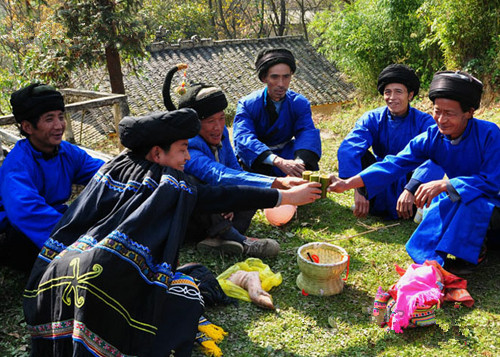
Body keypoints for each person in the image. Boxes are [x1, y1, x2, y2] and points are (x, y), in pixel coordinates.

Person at [24, 108, 321, 356]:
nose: (187, 158)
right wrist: (284, 197)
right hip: (101, 285)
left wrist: (275, 185)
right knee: (187, 296)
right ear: (157, 152)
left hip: (51, 285)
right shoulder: (169, 182)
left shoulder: (116, 167)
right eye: (182, 150)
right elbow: (216, 196)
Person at [328, 70, 500, 275]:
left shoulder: (490, 134)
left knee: (468, 202)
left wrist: (446, 184)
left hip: (493, 202)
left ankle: (473, 255)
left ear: (469, 112)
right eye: (437, 111)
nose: (441, 119)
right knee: (443, 204)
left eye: (449, 113)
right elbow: (395, 163)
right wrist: (349, 184)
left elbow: (493, 181)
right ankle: (438, 258)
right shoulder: (433, 136)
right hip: (463, 195)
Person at [163, 68, 307, 257]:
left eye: (222, 118)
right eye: (210, 121)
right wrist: (277, 183)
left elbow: (233, 168)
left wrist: (232, 200)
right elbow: (216, 175)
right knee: (194, 183)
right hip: (192, 218)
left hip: (219, 213)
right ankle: (239, 240)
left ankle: (218, 239)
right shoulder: (186, 146)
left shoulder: (222, 134)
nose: (217, 127)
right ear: (194, 124)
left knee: (249, 187)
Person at [0, 83, 104, 271]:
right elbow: (26, 212)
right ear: (28, 127)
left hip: (56, 217)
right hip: (19, 229)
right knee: (21, 242)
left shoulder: (68, 152)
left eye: (60, 117)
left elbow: (104, 175)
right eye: (49, 119)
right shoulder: (17, 165)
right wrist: (76, 239)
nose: (59, 126)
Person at [337, 64, 444, 220]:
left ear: (410, 95)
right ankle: (369, 199)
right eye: (388, 92)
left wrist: (410, 189)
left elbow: (437, 158)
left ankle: (415, 205)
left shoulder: (425, 122)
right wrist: (358, 188)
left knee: (434, 155)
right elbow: (349, 148)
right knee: (358, 152)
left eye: (398, 92)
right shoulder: (372, 118)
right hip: (377, 181)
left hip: (410, 182)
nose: (392, 98)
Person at [232, 48, 322, 177]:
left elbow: (306, 132)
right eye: (274, 77)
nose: (281, 84)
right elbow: (243, 138)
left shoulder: (299, 103)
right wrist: (277, 161)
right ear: (264, 78)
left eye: (286, 77)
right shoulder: (247, 104)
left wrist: (298, 164)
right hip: (259, 157)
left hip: (287, 154)